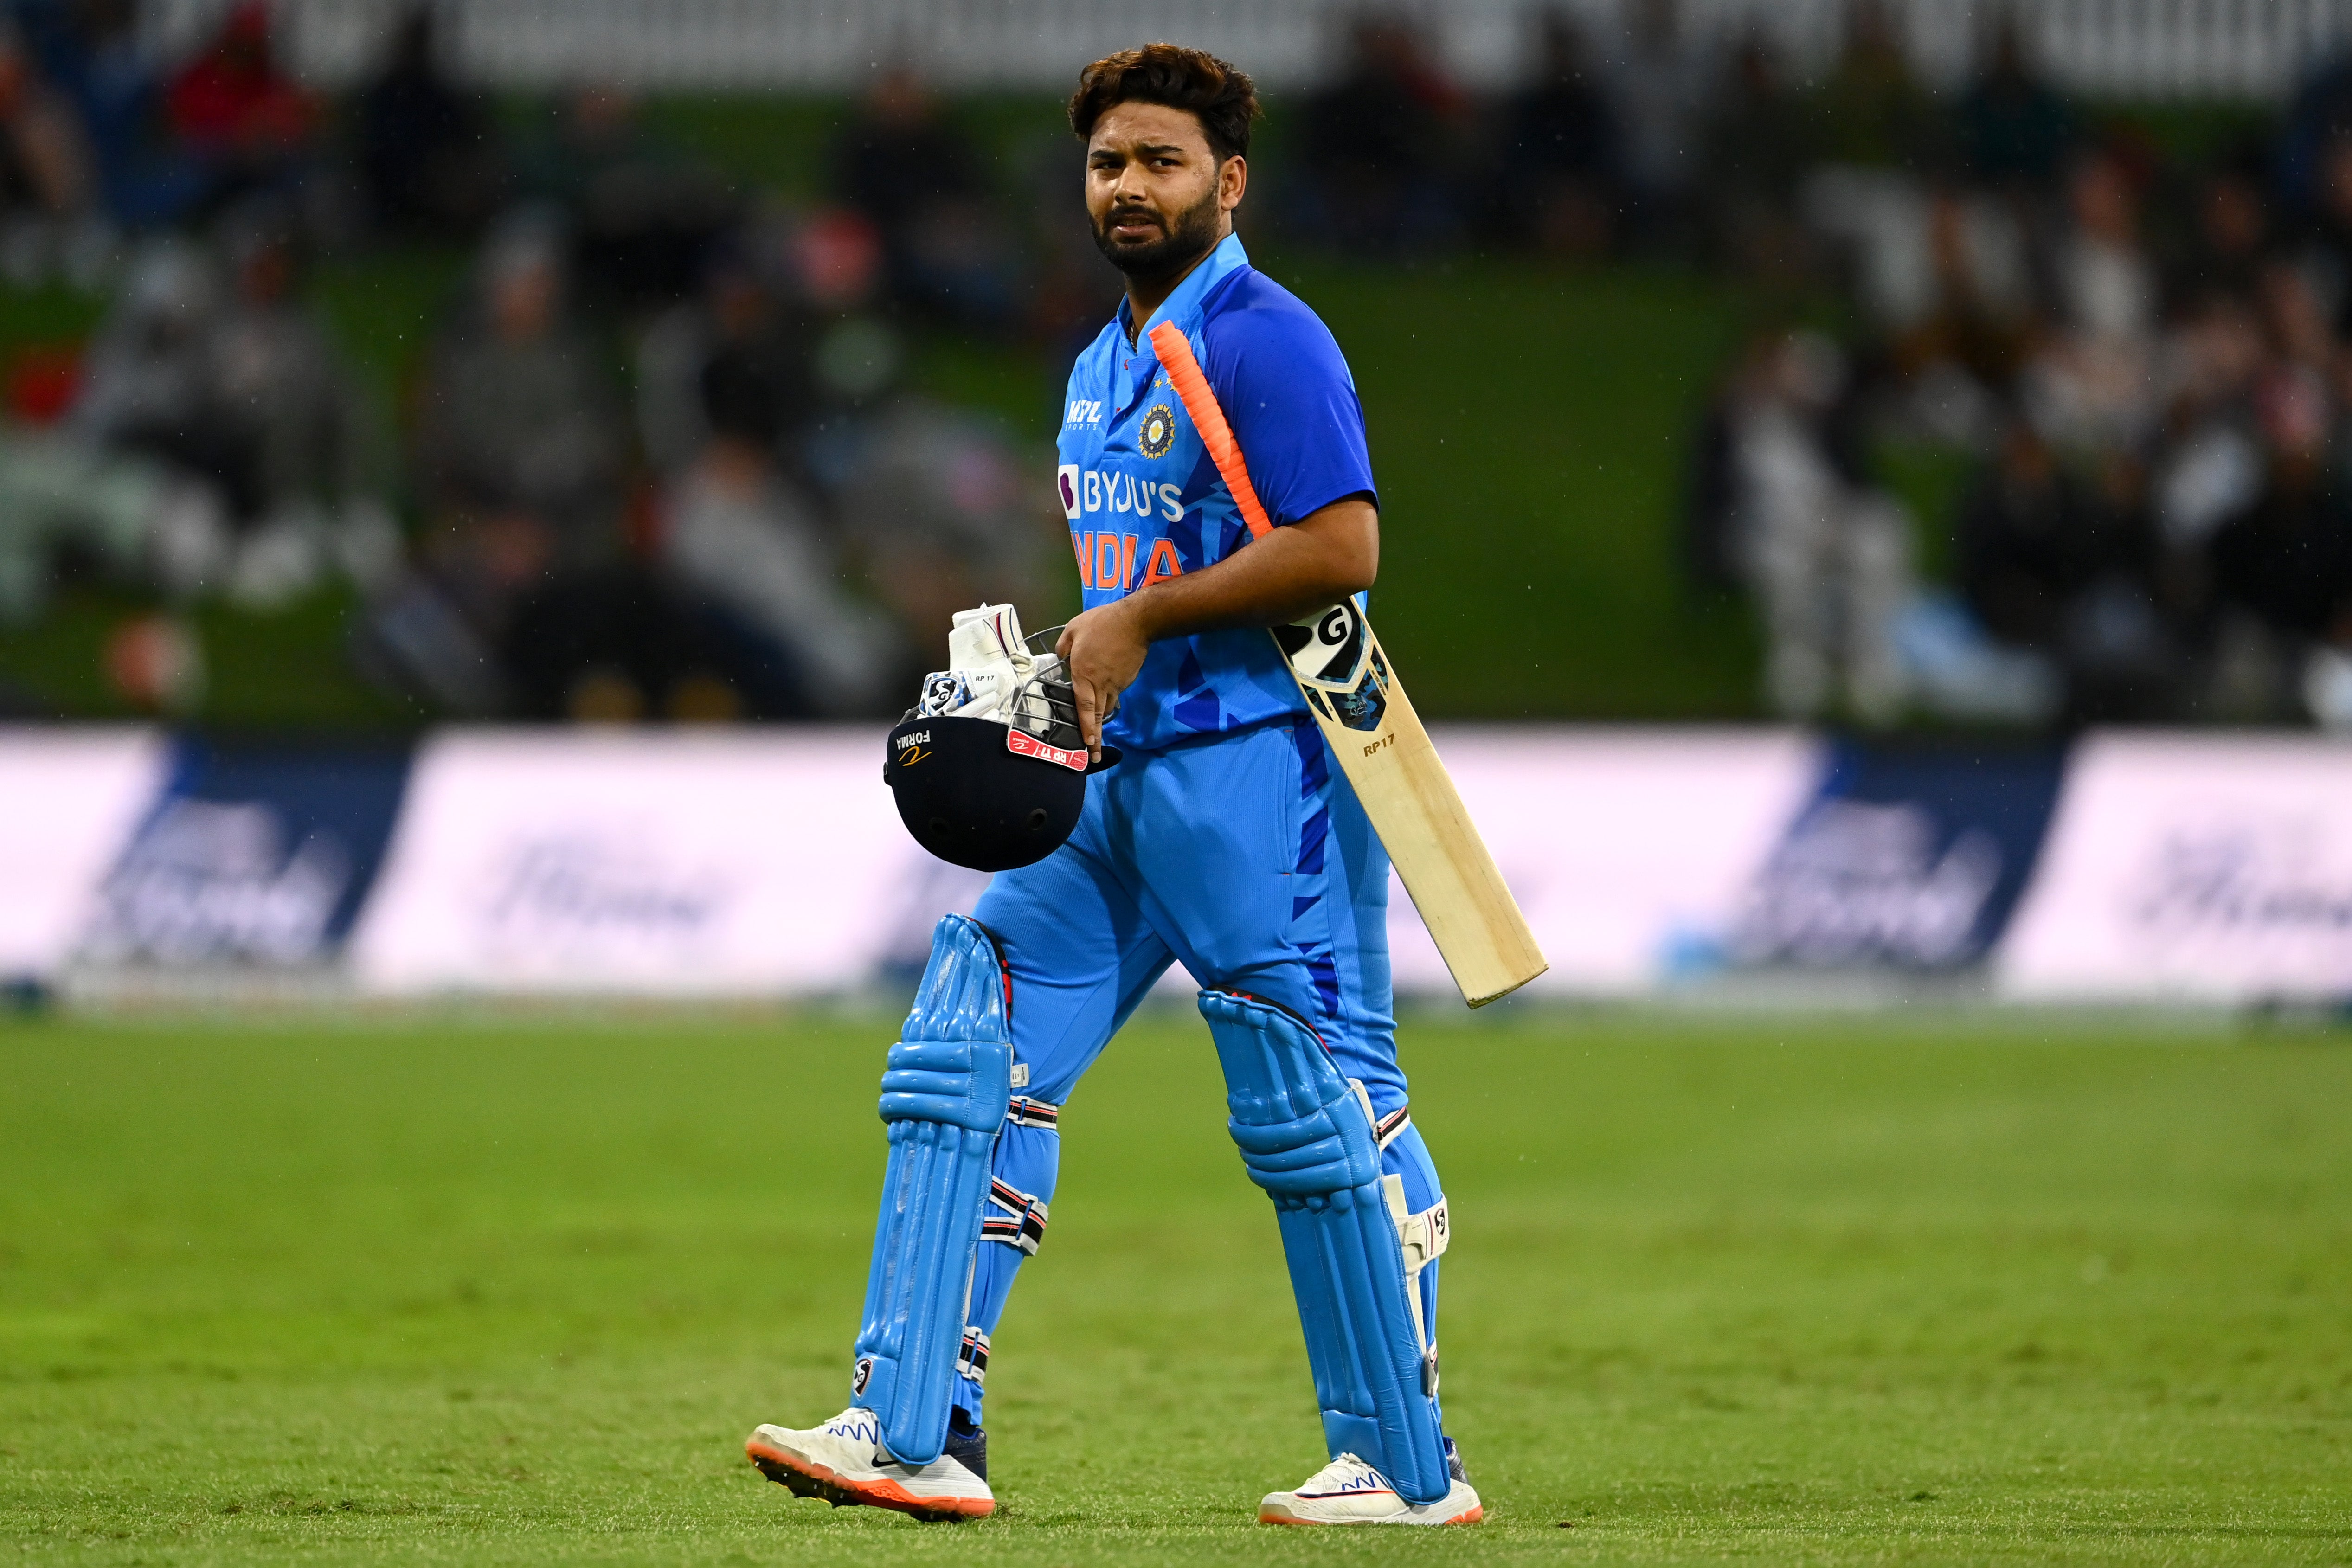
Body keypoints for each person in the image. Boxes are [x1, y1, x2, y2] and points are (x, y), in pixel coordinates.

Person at [744, 43, 1483, 1528]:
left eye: (1160, 160)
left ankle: (1408, 1468)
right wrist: (1065, 667)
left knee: (1313, 1099)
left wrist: (1143, 621)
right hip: (1118, 779)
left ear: (1229, 179)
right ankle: (912, 1425)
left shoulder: (1267, 339)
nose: (1129, 186)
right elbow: (1130, 579)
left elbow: (1342, 549)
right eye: (1106, 164)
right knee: (970, 1021)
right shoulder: (1097, 365)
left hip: (1262, 774)